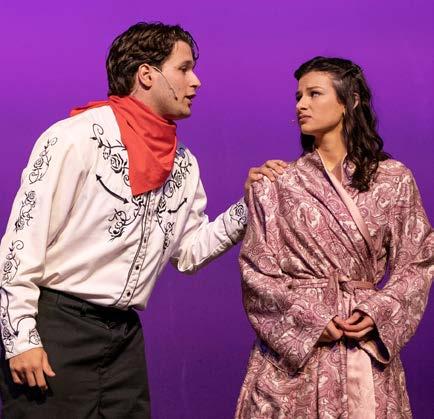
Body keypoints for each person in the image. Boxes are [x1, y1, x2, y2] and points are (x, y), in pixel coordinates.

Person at [0, 22, 286, 418]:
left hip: (123, 339)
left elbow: (189, 253)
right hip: (58, 328)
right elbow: (22, 241)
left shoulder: (183, 163)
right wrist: (20, 337)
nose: (196, 81)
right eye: (184, 69)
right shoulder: (75, 137)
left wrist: (248, 205)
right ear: (147, 74)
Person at [236, 56, 433, 418]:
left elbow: (418, 260)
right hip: (295, 359)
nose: (301, 104)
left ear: (349, 101)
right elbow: (257, 272)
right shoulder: (277, 183)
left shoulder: (393, 180)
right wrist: (312, 320)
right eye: (298, 96)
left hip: (363, 341)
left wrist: (376, 312)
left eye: (314, 94)